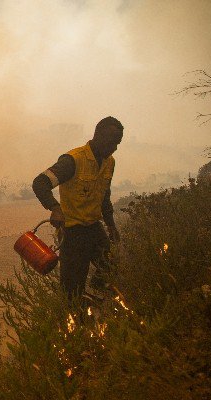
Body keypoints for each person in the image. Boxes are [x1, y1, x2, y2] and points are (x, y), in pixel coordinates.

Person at [32, 116, 123, 305]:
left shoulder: (109, 162)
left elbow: (104, 196)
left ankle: (93, 297)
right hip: (72, 233)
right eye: (111, 142)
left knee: (110, 268)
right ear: (97, 135)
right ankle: (73, 320)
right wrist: (55, 208)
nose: (114, 148)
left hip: (94, 228)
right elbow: (40, 183)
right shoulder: (72, 160)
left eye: (117, 144)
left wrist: (111, 225)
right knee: (71, 289)